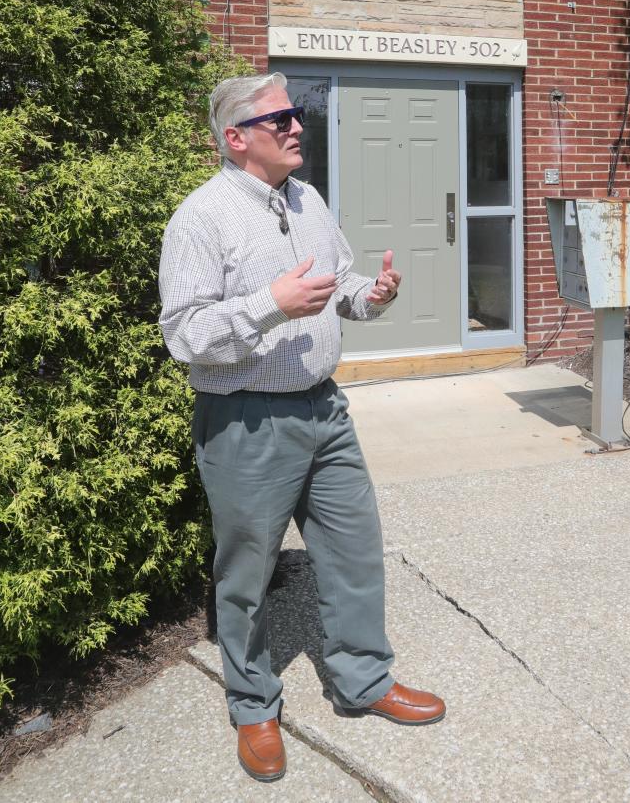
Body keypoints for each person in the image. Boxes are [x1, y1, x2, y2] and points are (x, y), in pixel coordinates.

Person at [159, 72, 445, 784]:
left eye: (297, 115)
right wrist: (268, 305)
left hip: (325, 409)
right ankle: (254, 704)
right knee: (247, 573)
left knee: (353, 549)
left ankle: (364, 682)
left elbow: (340, 287)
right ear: (236, 139)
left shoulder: (307, 200)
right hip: (246, 421)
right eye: (279, 118)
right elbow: (184, 335)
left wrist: (370, 298)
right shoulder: (202, 217)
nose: (296, 126)